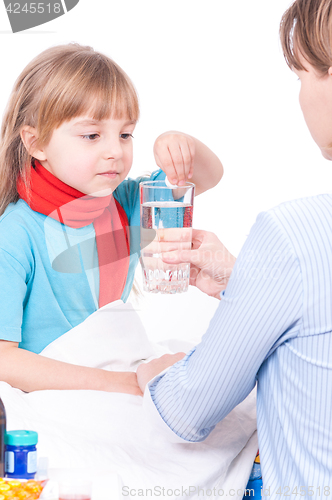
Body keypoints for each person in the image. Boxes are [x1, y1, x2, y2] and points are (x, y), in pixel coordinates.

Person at [137, 0, 332, 494]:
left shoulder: (292, 233)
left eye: (302, 75)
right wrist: (246, 281)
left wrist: (155, 375)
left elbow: (187, 410)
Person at [0, 43, 223, 395]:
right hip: (51, 393)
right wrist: (129, 385)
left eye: (125, 134)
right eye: (91, 135)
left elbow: (207, 177)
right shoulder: (14, 236)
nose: (115, 151)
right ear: (36, 142)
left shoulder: (125, 202)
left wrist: (182, 147)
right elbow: (4, 359)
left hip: (115, 368)